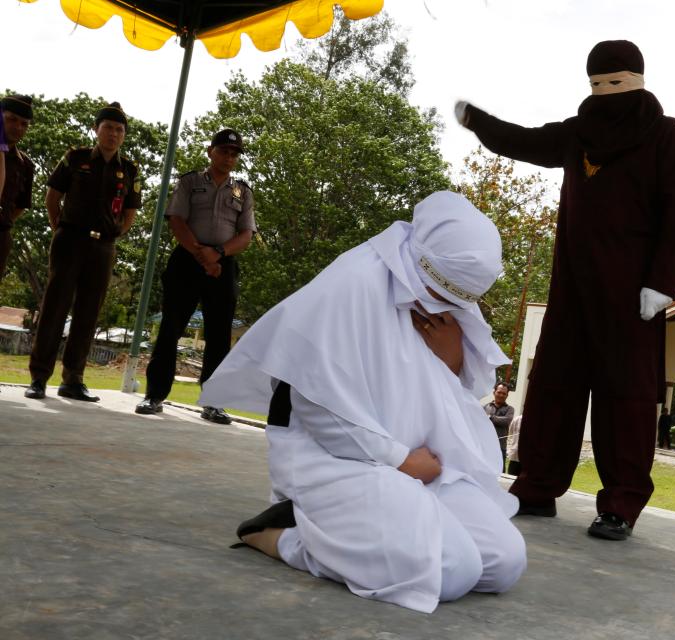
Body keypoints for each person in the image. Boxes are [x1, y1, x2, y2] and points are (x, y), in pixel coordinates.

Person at [198, 191, 525, 613]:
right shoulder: (348, 288)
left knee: (503, 563)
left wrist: (453, 357)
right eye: (442, 294)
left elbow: (458, 386)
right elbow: (318, 408)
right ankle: (288, 537)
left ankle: (374, 531)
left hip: (421, 461)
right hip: (340, 460)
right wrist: (401, 461)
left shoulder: (441, 286)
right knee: (452, 570)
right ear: (420, 262)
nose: (448, 308)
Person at [456, 40, 675, 542]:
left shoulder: (666, 136)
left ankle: (621, 503)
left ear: (636, 80)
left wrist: (661, 284)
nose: (605, 93)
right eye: (596, 84)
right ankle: (536, 486)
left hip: (633, 299)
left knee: (624, 400)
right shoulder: (578, 135)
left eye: (615, 82)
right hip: (572, 291)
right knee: (553, 388)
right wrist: (478, 122)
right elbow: (524, 140)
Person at [135, 129, 256, 424]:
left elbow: (246, 235)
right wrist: (203, 255)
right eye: (224, 151)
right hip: (187, 261)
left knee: (218, 336)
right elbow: (176, 220)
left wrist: (218, 253)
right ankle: (154, 395)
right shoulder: (189, 182)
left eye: (234, 153)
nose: (228, 157)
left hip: (222, 265)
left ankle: (213, 403)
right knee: (170, 328)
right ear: (210, 151)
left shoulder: (243, 191)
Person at [24, 102, 141, 402]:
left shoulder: (129, 169)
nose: (113, 134)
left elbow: (130, 212)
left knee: (88, 313)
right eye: (108, 127)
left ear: (124, 135)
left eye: (119, 129)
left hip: (103, 246)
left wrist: (114, 234)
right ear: (96, 129)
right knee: (54, 308)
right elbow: (53, 196)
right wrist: (57, 227)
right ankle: (39, 377)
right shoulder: (75, 158)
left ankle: (73, 379)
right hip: (70, 240)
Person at [0, 95, 35, 282]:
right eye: (12, 119)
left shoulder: (25, 165)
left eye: (24, 124)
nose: (18, 127)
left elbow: (21, 205)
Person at [483, 382, 515, 470]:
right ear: (494, 392)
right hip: (485, 446)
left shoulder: (510, 409)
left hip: (500, 447)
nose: (501, 395)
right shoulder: (485, 407)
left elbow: (507, 421)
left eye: (504, 393)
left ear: (507, 395)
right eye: (499, 392)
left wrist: (489, 417)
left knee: (500, 472)